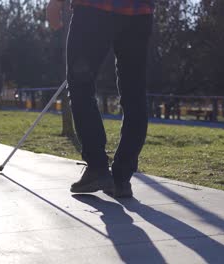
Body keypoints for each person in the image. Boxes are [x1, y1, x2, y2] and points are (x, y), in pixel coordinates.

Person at [46, 0, 154, 198]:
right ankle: (121, 179)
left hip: (94, 8)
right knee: (134, 93)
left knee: (80, 86)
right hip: (139, 12)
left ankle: (97, 167)